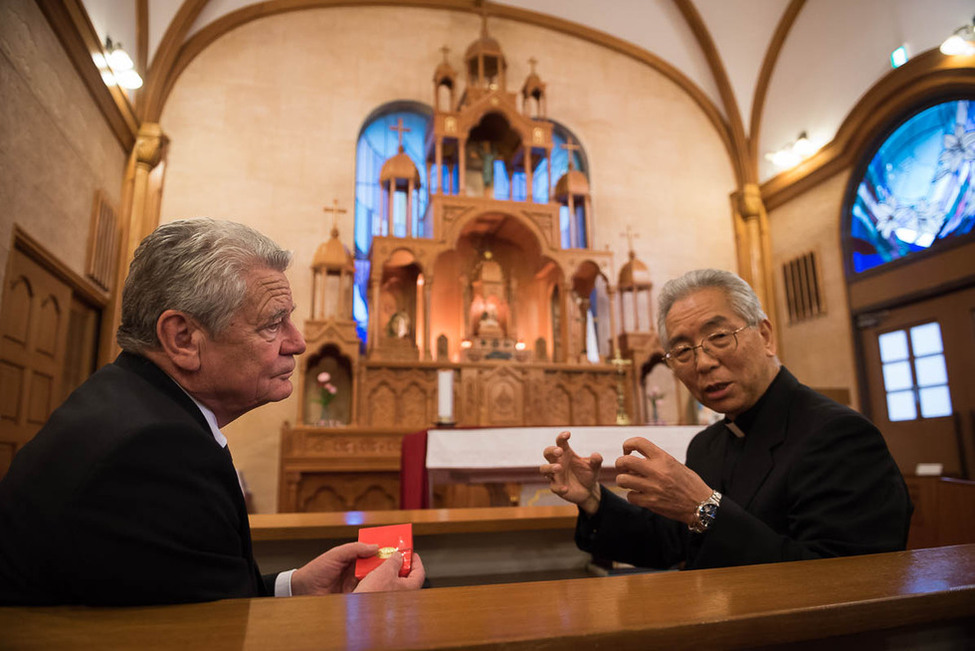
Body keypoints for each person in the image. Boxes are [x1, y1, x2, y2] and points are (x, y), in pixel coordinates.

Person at [0, 218, 425, 606]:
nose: (298, 343)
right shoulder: (153, 452)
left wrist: (296, 587)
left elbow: (195, 604)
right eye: (273, 324)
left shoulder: (132, 402)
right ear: (182, 338)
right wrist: (358, 617)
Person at [541, 268, 912, 570]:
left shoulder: (839, 436)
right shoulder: (709, 443)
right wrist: (594, 500)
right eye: (682, 351)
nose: (702, 362)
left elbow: (847, 580)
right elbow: (671, 543)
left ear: (765, 336)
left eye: (719, 336)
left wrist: (705, 510)